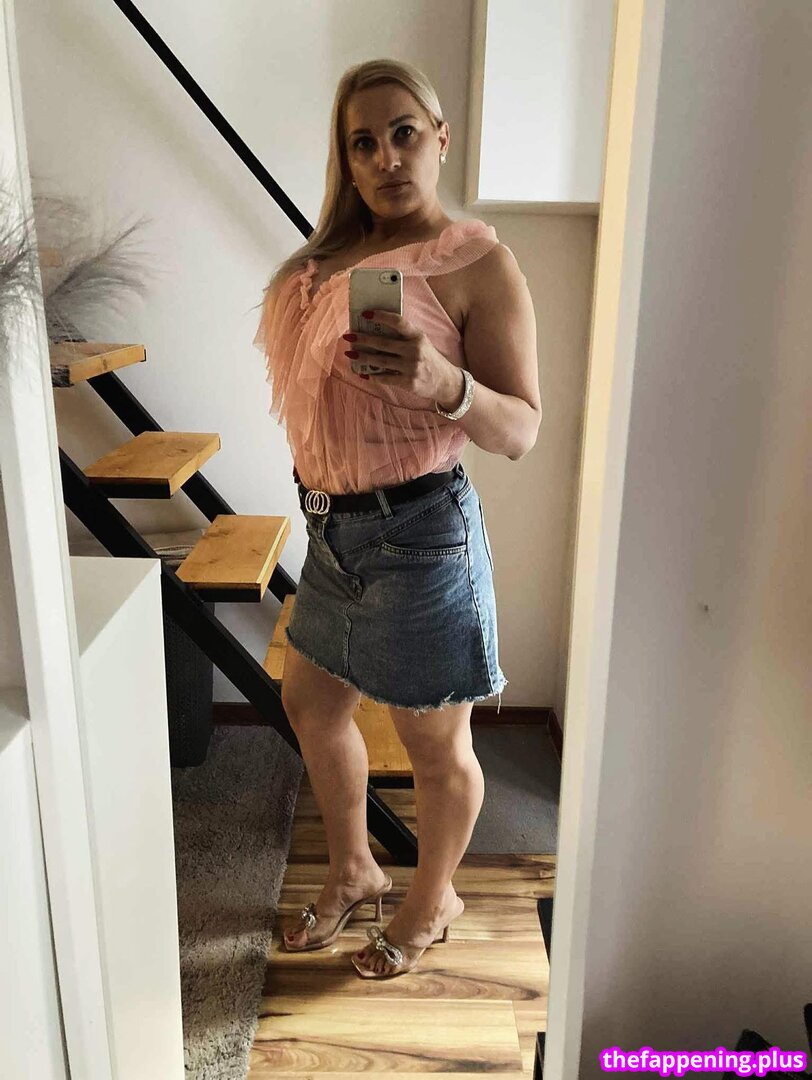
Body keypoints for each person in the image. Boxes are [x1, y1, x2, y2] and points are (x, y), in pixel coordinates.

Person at [253, 57, 540, 979]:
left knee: (434, 745)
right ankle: (354, 867)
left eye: (404, 133)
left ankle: (432, 898)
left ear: (440, 137)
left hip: (419, 536)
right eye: (363, 142)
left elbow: (522, 429)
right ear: (345, 159)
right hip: (330, 532)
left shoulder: (476, 264)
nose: (386, 158)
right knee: (311, 702)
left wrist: (444, 382)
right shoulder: (324, 263)